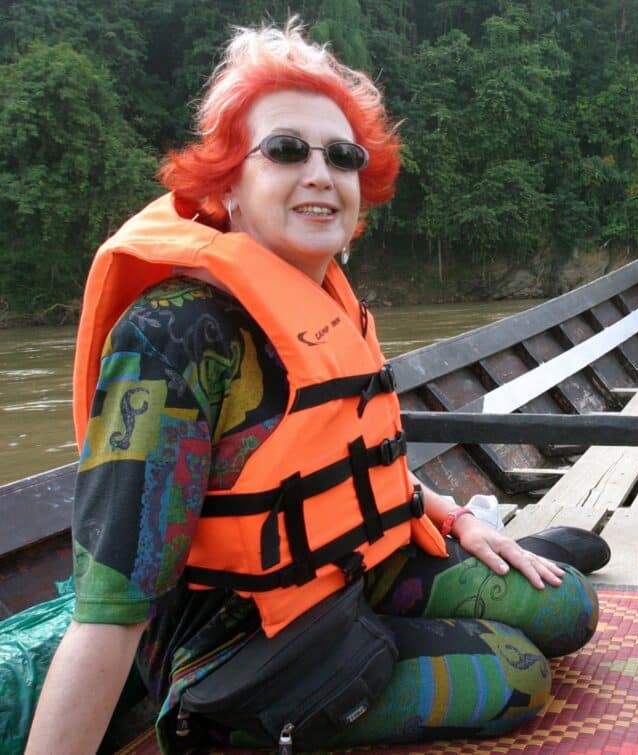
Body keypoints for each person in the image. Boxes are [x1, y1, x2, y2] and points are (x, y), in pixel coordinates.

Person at [25, 21, 601, 754]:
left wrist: (458, 519)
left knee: (571, 609)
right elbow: (108, 610)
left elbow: (349, 464)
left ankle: (434, 605)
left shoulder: (327, 301)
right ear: (227, 185)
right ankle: (242, 726)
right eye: (286, 149)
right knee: (519, 673)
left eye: (343, 155)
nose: (322, 173)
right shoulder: (176, 337)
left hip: (360, 565)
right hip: (249, 644)